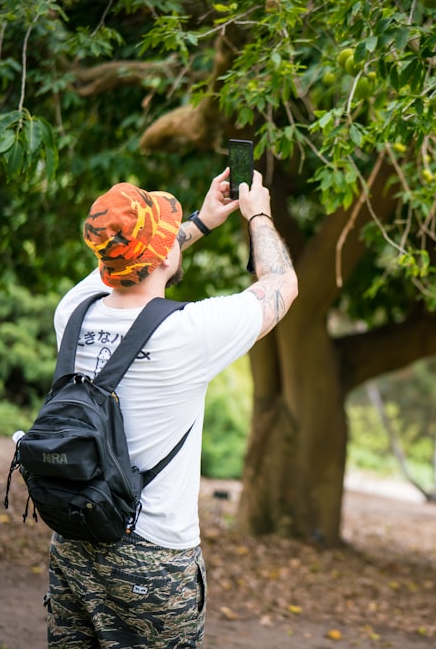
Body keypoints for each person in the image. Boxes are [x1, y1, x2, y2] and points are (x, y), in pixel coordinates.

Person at [44, 167, 297, 648]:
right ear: (162, 253)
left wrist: (201, 221)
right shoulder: (189, 332)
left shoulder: (72, 312)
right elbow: (282, 281)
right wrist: (258, 213)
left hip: (73, 542)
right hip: (154, 557)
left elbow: (128, 254)